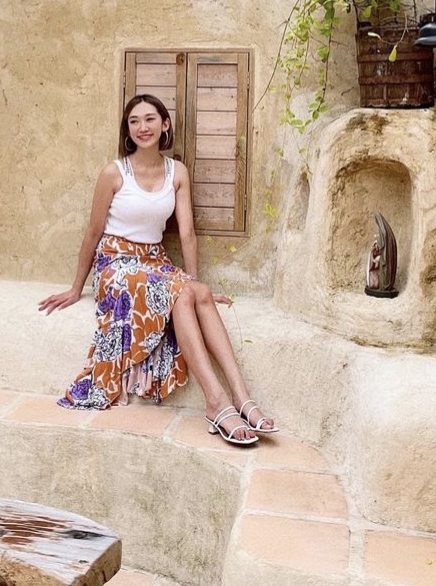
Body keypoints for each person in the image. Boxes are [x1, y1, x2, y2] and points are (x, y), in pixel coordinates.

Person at [38, 93, 276, 446]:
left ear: (165, 124)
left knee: (198, 292)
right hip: (116, 264)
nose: (142, 127)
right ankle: (216, 401)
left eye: (150, 119)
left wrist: (193, 281)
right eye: (134, 121)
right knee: (180, 292)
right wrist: (76, 288)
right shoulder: (114, 173)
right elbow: (92, 233)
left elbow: (187, 233)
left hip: (154, 261)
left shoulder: (176, 172)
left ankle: (241, 397)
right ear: (127, 129)